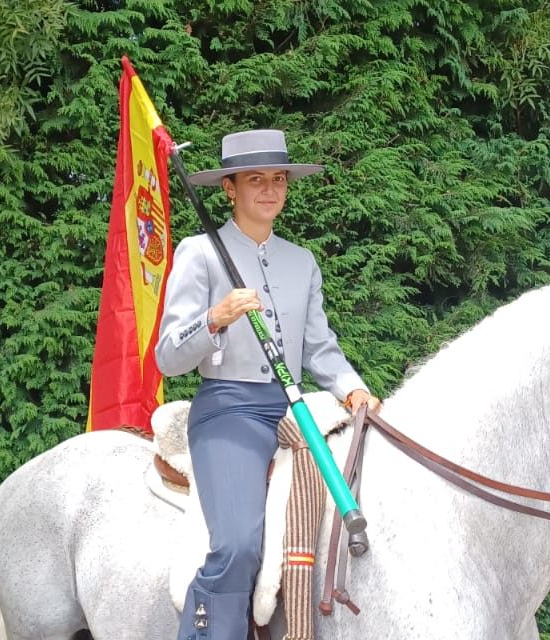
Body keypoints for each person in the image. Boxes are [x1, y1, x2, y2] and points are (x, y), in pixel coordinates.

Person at [154, 129, 380, 640]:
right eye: (255, 180)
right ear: (229, 188)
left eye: (278, 179)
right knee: (237, 544)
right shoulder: (200, 253)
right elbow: (167, 356)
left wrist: (352, 388)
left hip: (295, 411)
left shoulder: (302, 262)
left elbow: (320, 349)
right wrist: (215, 318)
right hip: (227, 411)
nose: (270, 190)